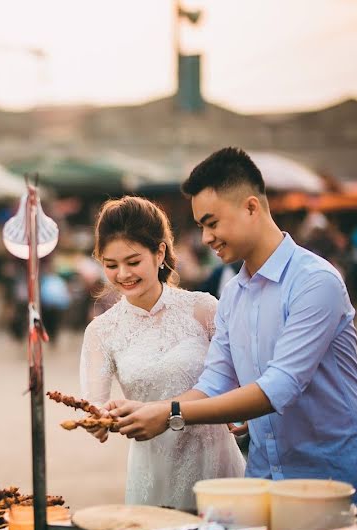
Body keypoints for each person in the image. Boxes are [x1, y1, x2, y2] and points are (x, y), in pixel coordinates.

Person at [105, 148, 357, 522]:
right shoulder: (234, 294)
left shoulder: (315, 282)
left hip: (331, 487)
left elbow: (278, 388)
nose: (205, 237)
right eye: (201, 226)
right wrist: (155, 409)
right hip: (264, 485)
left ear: (251, 207)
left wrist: (170, 411)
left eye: (211, 222)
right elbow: (216, 381)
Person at [80, 196, 245, 510]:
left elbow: (240, 379)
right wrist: (102, 419)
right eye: (111, 265)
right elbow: (95, 408)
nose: (123, 274)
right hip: (153, 472)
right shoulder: (101, 332)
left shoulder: (204, 308)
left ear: (159, 253)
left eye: (133, 261)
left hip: (217, 465)